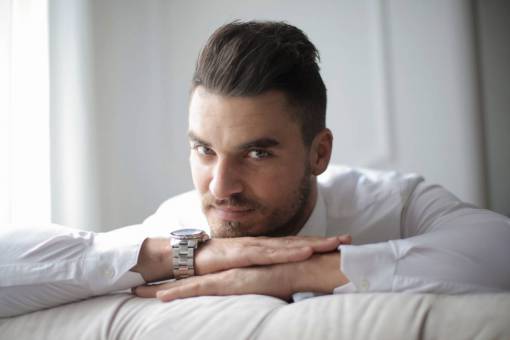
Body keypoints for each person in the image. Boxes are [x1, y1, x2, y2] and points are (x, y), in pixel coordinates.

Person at [1, 20, 509, 318]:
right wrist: (186, 259)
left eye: (257, 153)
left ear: (319, 154)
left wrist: (299, 271)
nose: (219, 187)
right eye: (204, 150)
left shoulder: (392, 205)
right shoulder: (179, 228)